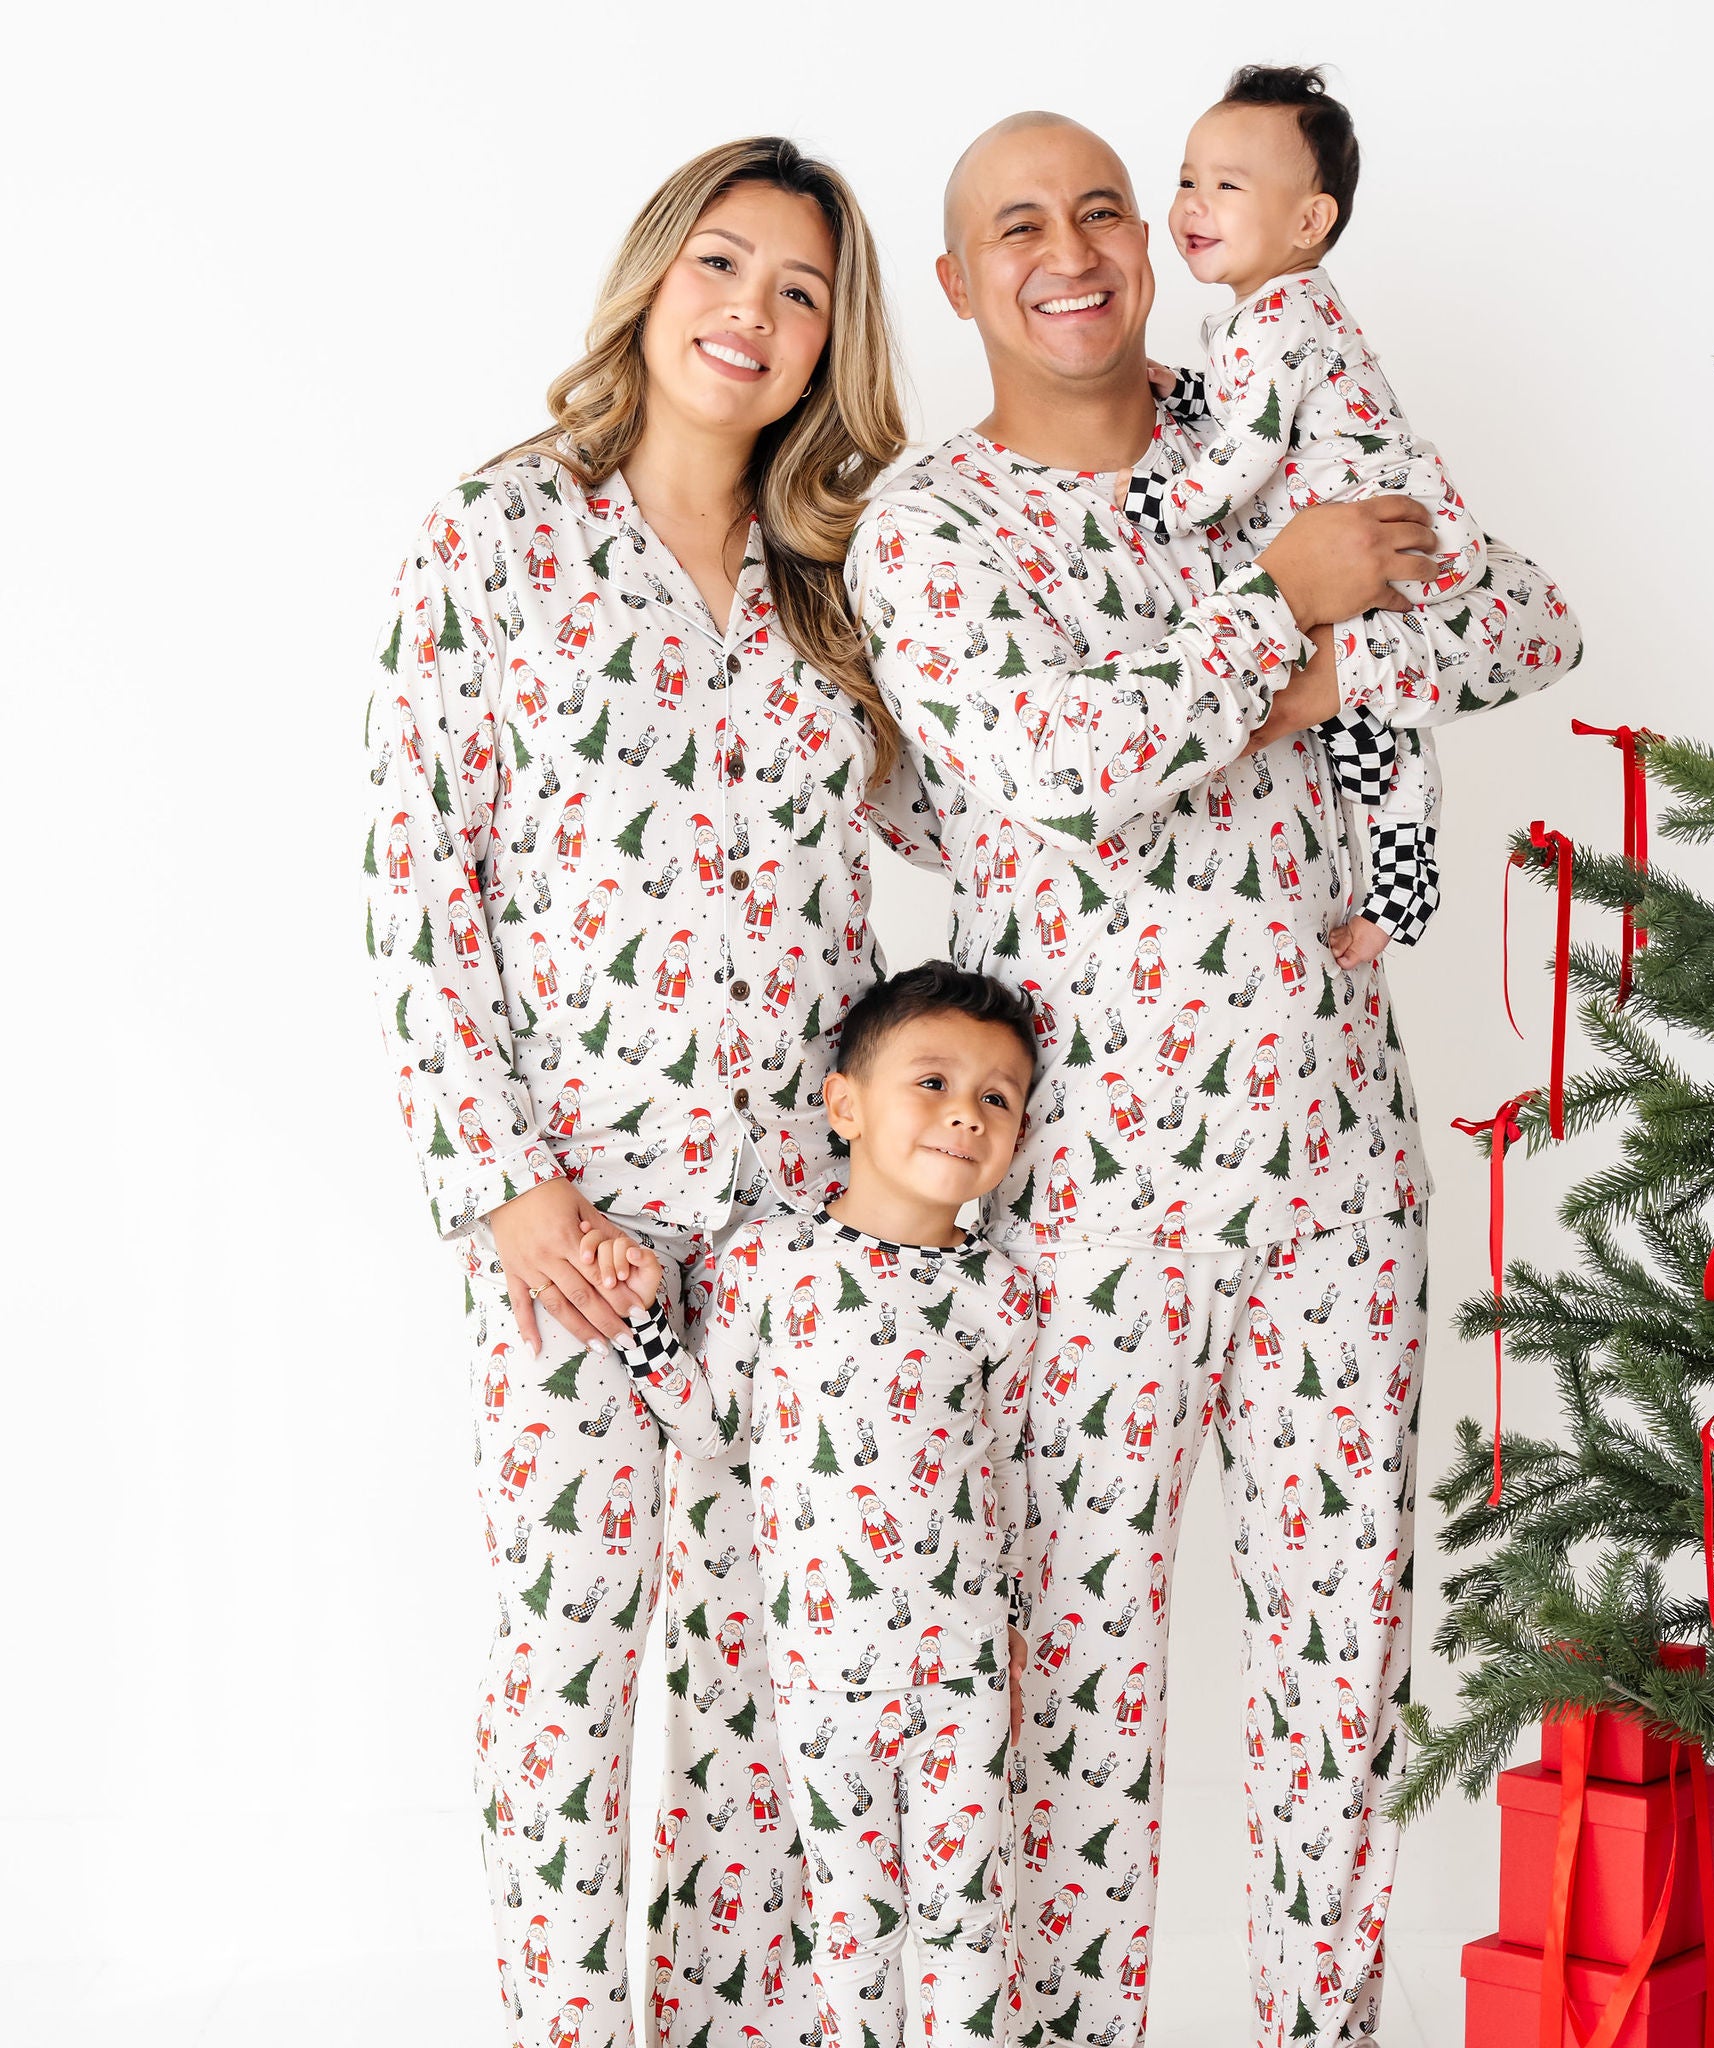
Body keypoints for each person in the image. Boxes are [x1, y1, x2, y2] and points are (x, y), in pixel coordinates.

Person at [854, 113, 1580, 2048]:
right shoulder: (926, 528)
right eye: (1017, 224)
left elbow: (1520, 614)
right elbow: (1061, 757)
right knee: (1074, 1684)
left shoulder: (1275, 413)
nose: (1073, 246)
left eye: (1105, 204)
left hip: (1334, 1165)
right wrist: (1302, 628)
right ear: (955, 283)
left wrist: (1325, 586)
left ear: (1170, 234)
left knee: (1339, 1680)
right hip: (1079, 1195)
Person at [362, 136, 914, 2047]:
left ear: (831, 343)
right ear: (651, 277)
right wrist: (507, 1189)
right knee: (569, 1670)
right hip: (568, 1232)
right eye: (723, 266)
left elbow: (1004, 802)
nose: (751, 315)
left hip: (793, 1230)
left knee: (766, 1678)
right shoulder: (496, 537)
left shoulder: (839, 590)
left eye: (798, 292)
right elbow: (416, 884)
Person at [588, 963, 1040, 2046]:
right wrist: (645, 1320)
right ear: (845, 1104)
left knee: (970, 1919)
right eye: (931, 1080)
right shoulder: (770, 1264)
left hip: (963, 1669)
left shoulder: (998, 1290)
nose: (963, 1114)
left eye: (996, 1097)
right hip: (823, 1670)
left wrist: (1015, 1641)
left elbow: (1017, 1481)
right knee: (849, 1929)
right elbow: (710, 1424)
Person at [1139, 62, 1484, 971]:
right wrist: (1181, 390)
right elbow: (1247, 405)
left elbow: (1249, 447)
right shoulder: (1273, 312)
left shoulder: (1280, 316)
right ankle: (1395, 886)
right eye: (1185, 180)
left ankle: (1401, 894)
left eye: (1226, 185)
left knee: (1379, 739)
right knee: (1364, 731)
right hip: (1350, 537)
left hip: (1383, 531)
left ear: (1308, 221)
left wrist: (1164, 500)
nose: (1193, 206)